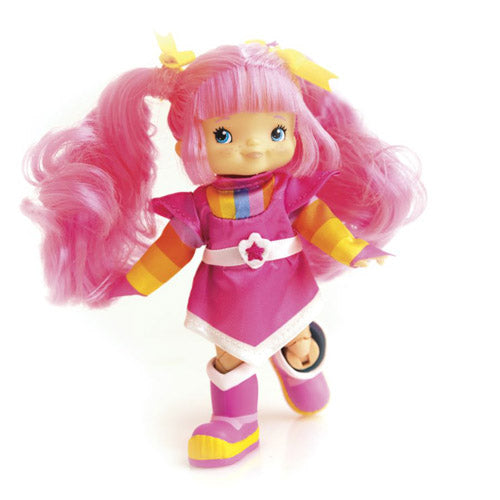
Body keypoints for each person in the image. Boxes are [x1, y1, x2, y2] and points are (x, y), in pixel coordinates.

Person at [23, 35, 426, 467]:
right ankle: (236, 422)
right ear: (188, 143)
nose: (254, 147)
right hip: (229, 300)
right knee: (231, 357)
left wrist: (351, 248)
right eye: (224, 134)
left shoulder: (289, 193)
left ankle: (301, 370)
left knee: (298, 339)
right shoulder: (200, 208)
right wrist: (133, 282)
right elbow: (170, 251)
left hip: (287, 288)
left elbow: (317, 221)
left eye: (276, 132)